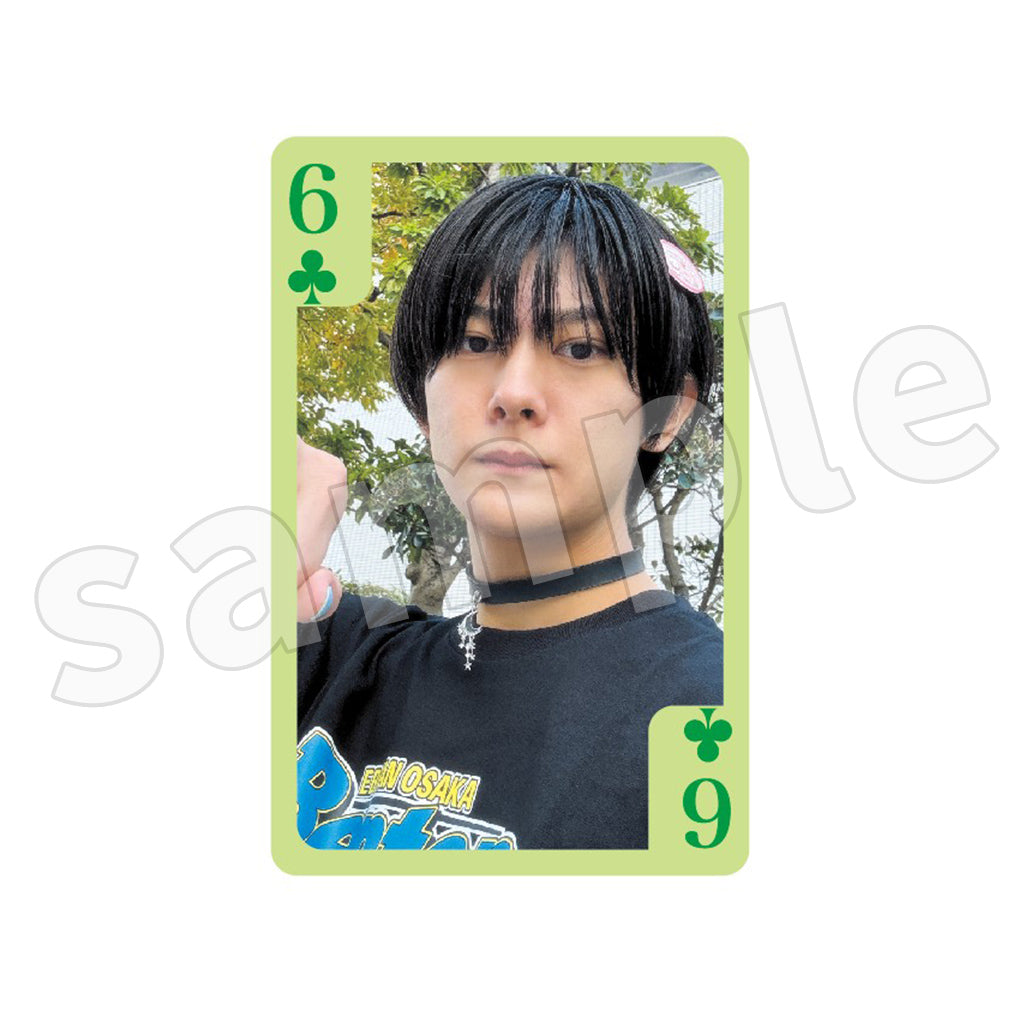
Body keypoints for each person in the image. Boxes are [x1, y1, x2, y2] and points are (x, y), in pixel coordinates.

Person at [295, 173, 723, 851]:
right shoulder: (333, 658)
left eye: (580, 348)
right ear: (422, 405)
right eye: (476, 341)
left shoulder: (713, 719)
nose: (514, 392)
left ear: (667, 413)